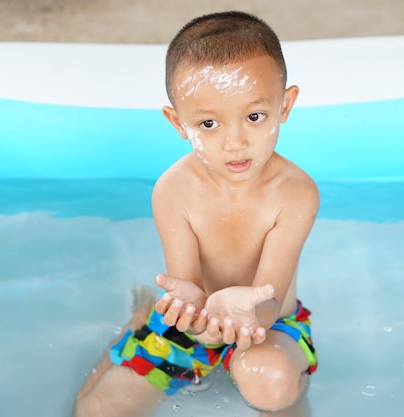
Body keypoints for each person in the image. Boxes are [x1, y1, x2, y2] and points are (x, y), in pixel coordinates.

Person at [73, 11, 319, 416]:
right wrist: (193, 315)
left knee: (269, 382)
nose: (235, 142)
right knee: (97, 412)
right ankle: (141, 315)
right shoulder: (173, 191)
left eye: (255, 117)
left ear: (285, 104)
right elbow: (185, 284)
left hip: (269, 325)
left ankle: (284, 374)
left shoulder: (296, 192)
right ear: (178, 122)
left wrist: (249, 312)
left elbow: (271, 299)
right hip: (197, 320)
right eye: (208, 123)